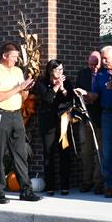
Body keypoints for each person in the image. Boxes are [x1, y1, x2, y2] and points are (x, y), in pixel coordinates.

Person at [0, 42, 41, 204]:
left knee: (20, 154)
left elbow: (22, 97)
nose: (17, 60)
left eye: (17, 57)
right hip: (0, 115)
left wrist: (26, 88)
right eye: (14, 57)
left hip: (16, 116)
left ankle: (26, 191)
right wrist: (18, 88)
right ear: (4, 56)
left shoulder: (17, 71)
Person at [75, 45, 112, 198]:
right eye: (103, 58)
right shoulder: (101, 75)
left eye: (106, 59)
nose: (104, 62)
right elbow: (96, 95)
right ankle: (110, 185)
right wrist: (85, 94)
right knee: (107, 153)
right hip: (107, 116)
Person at [35, 59, 74, 195]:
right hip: (48, 123)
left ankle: (65, 186)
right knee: (49, 155)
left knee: (64, 153)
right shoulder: (42, 83)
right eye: (57, 69)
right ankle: (50, 186)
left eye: (61, 70)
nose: (59, 72)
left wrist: (63, 88)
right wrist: (56, 87)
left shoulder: (67, 82)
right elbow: (46, 99)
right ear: (50, 71)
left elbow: (70, 99)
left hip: (62, 122)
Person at [75, 51, 105, 195]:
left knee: (100, 151)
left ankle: (99, 182)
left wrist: (90, 96)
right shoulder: (83, 74)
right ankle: (87, 181)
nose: (93, 67)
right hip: (85, 117)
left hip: (101, 117)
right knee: (86, 151)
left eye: (96, 64)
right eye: (90, 64)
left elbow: (105, 95)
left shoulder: (105, 74)